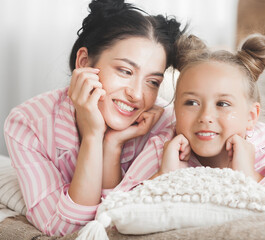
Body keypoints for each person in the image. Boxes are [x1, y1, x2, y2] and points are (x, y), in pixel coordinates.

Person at [4, 0, 185, 236]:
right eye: (125, 71)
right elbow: (63, 229)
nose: (138, 94)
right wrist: (92, 136)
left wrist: (112, 145)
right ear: (83, 62)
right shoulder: (27, 123)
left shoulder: (165, 124)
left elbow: (120, 221)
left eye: (153, 82)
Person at [119, 34, 265, 206]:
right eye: (191, 103)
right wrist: (162, 176)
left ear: (251, 117)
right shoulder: (164, 147)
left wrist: (253, 177)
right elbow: (114, 206)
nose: (205, 117)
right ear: (175, 110)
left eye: (222, 104)